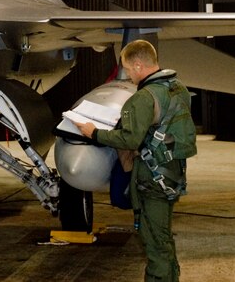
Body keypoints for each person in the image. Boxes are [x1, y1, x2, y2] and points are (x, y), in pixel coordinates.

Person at [73, 39, 197, 282]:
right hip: (173, 171)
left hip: (152, 177)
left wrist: (94, 132)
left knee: (154, 241)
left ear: (139, 65)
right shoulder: (178, 87)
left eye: (128, 69)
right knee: (162, 236)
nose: (128, 75)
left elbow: (129, 140)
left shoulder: (142, 98)